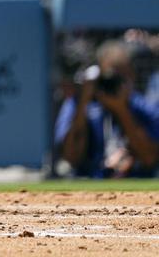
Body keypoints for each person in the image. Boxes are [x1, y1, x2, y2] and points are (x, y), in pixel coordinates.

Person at [55, 40, 159, 178]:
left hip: (133, 181)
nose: (117, 83)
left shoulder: (139, 105)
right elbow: (70, 157)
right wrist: (84, 101)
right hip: (88, 184)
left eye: (124, 76)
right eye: (112, 76)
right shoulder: (79, 103)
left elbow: (150, 158)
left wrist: (122, 111)